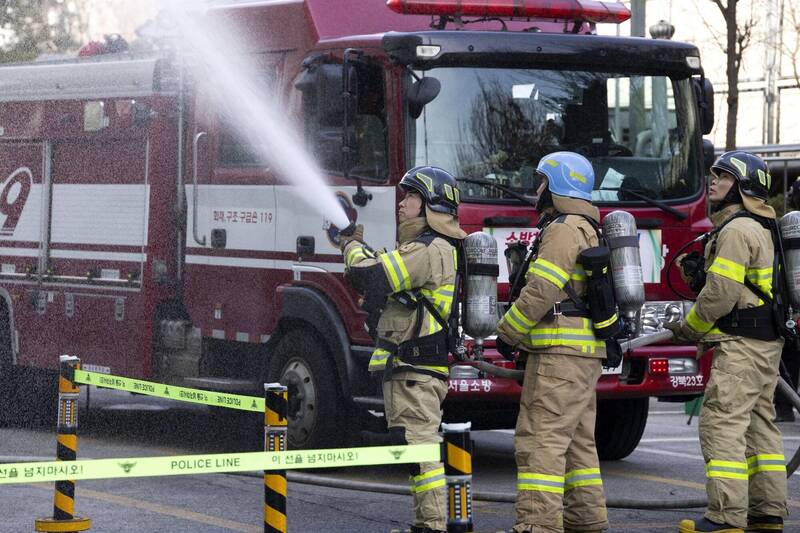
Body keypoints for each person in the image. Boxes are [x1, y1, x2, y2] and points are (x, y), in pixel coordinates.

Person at [339, 166, 467, 533]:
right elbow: (385, 278)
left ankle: (432, 525)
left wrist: (350, 247)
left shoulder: (428, 249)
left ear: (430, 206)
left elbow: (372, 275)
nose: (402, 203)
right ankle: (428, 523)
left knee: (420, 446)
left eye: (410, 197)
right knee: (414, 445)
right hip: (413, 367)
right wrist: (360, 250)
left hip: (416, 369)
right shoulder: (425, 247)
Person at [666, 151, 788, 533]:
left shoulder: (736, 231)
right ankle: (767, 513)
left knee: (722, 425)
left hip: (741, 345)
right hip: (766, 343)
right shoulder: (764, 227)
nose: (713, 181)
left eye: (723, 176)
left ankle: (725, 517)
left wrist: (689, 328)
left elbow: (720, 294)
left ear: (742, 185)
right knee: (759, 426)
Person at [495, 151, 609, 533]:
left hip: (559, 355)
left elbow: (542, 288)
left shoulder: (563, 228)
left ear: (558, 185)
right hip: (581, 354)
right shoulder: (587, 225)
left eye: (542, 181)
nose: (537, 190)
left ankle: (536, 526)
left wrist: (507, 333)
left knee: (539, 440)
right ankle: (586, 521)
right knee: (577, 443)